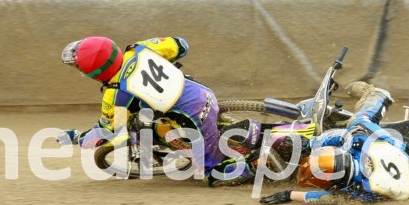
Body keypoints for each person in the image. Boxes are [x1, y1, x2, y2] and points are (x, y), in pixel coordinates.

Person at [59, 36, 259, 185]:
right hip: (203, 92)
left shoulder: (116, 94)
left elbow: (107, 131)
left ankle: (246, 167)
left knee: (209, 175)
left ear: (93, 73)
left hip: (194, 119)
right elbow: (181, 45)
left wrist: (77, 137)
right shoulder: (139, 48)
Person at [259, 83, 409, 205]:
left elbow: (324, 198)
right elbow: (342, 137)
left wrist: (311, 144)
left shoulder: (355, 190)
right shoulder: (357, 161)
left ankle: (380, 96)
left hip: (404, 169)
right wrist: (312, 144)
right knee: (359, 124)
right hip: (400, 160)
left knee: (357, 124)